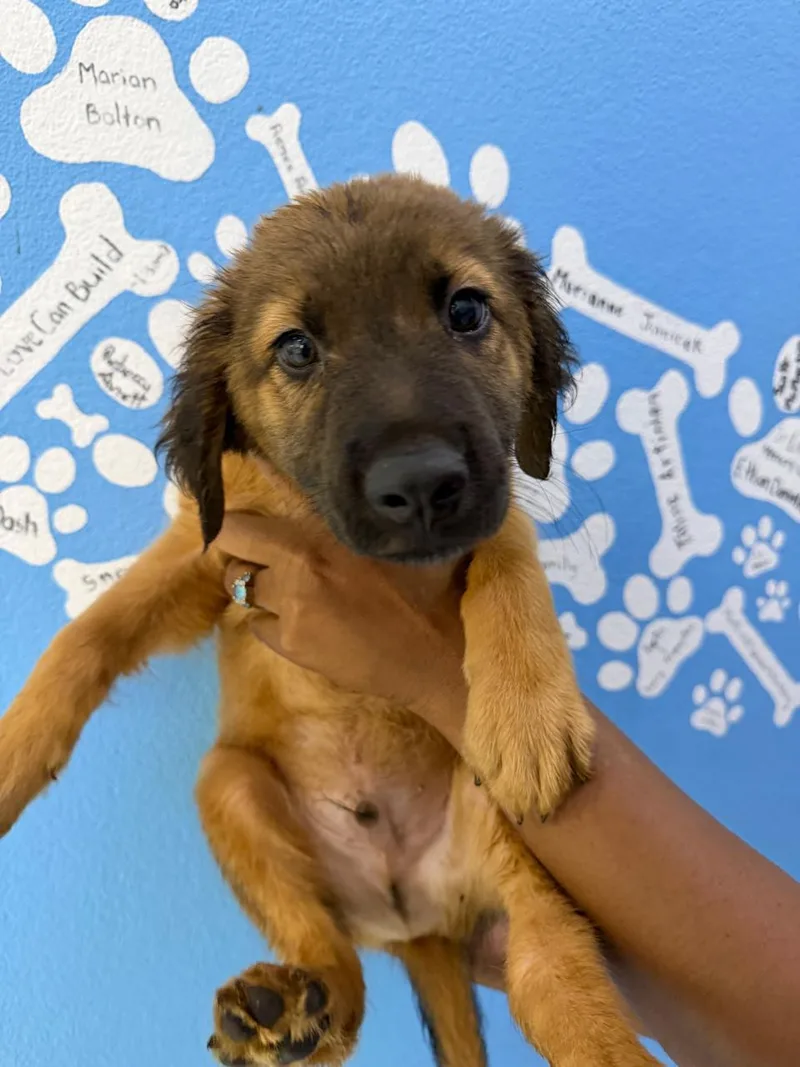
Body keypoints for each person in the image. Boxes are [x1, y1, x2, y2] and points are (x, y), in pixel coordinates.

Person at [215, 507, 800, 1067]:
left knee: (542, 949)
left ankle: (331, 1003)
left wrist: (437, 671)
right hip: (370, 848)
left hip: (452, 831)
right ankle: (327, 993)